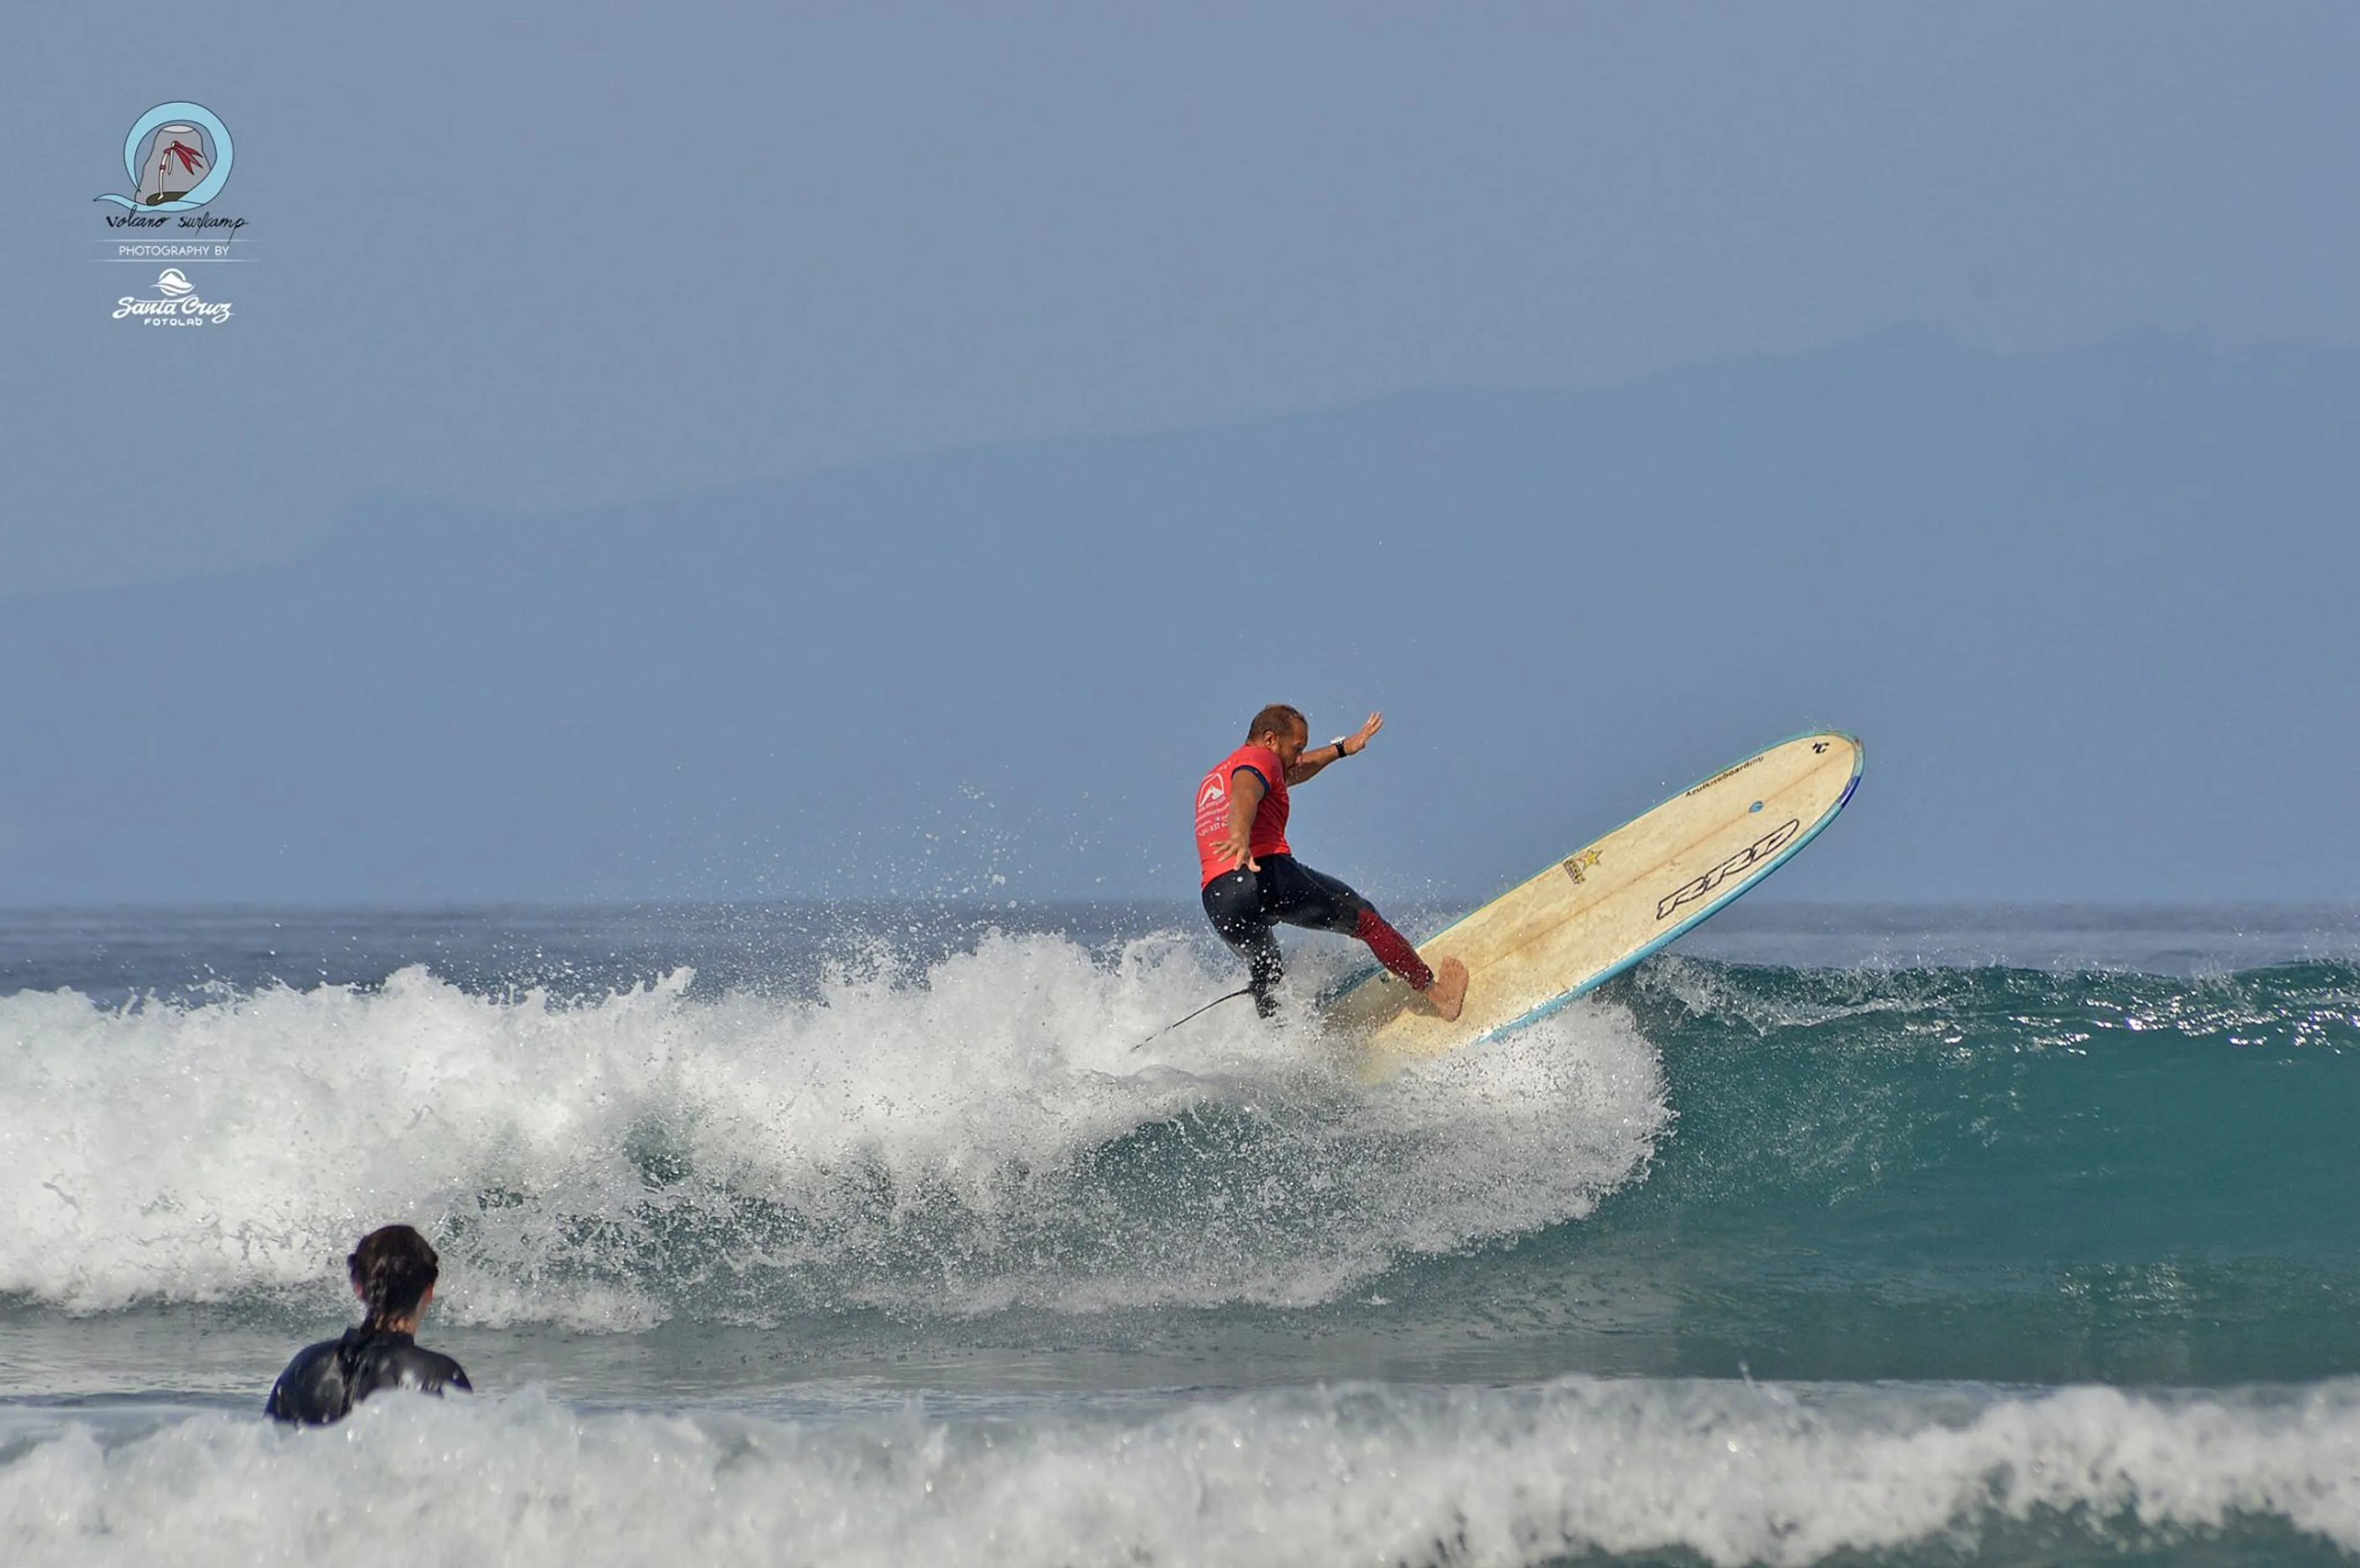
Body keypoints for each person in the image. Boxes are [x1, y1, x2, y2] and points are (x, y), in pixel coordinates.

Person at [1195, 703, 1467, 1021]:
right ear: (1270, 739)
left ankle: (1279, 1049)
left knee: (1268, 976)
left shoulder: (1216, 776)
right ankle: (1440, 996)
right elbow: (1245, 793)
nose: (1299, 757)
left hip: (1219, 899)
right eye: (1296, 748)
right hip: (1262, 872)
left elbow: (1292, 771)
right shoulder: (1259, 759)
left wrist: (1341, 749)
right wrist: (1240, 836)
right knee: (1365, 920)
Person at [266, 1223, 471, 1425]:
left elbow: (268, 1447)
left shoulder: (305, 1366)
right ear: (429, 1291)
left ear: (358, 1287)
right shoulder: (440, 1376)